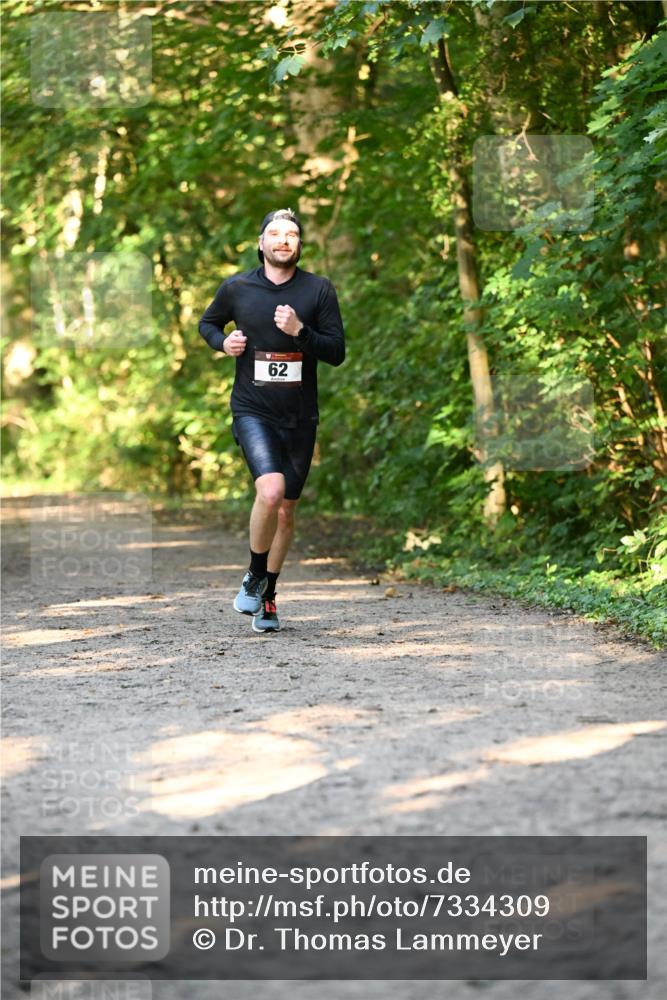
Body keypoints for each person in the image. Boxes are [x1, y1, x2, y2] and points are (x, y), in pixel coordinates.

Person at [198, 209, 345, 633]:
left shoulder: (318, 290)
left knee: (285, 512)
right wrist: (223, 342)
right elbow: (207, 323)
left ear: (299, 245)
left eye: (292, 234)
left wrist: (301, 331)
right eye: (275, 234)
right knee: (271, 490)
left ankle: (268, 596)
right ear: (261, 243)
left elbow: (336, 352)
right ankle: (254, 572)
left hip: (300, 417)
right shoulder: (238, 288)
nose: (284, 240)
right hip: (252, 409)